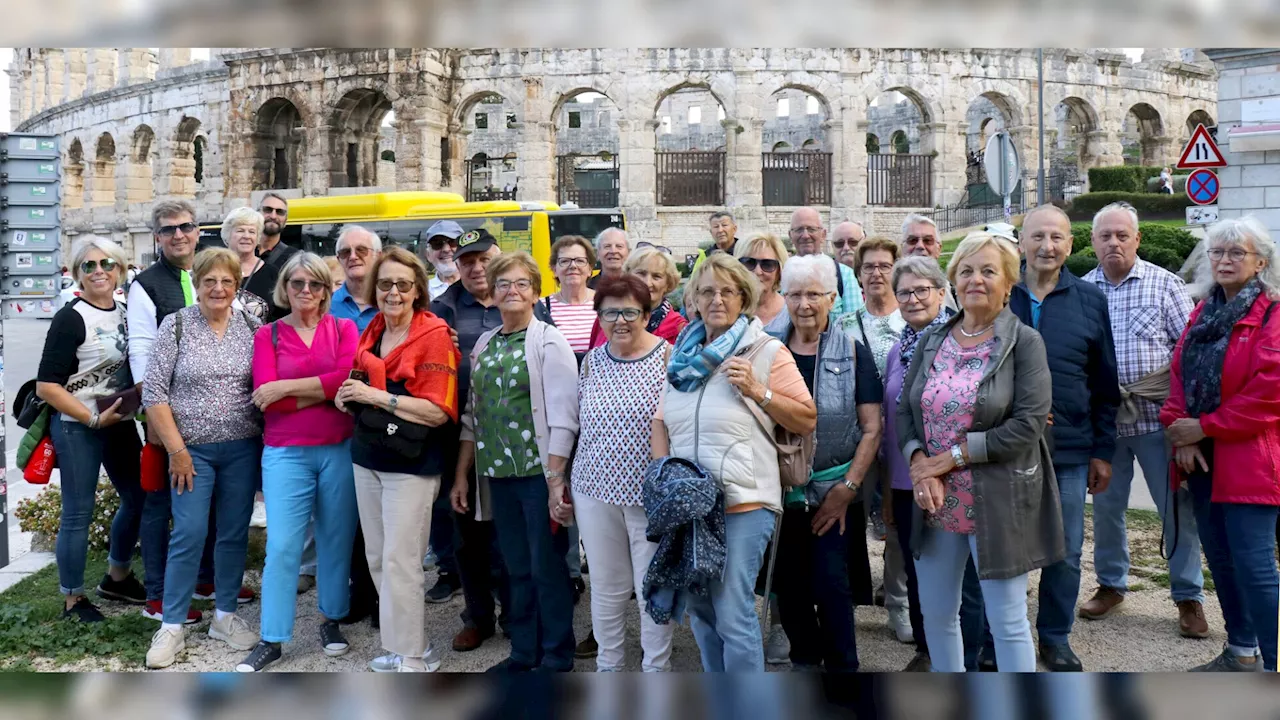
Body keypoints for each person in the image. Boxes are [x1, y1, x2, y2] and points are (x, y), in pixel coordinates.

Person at [896, 232, 1062, 673]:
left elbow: (1027, 426)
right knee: (937, 616)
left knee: (1006, 620)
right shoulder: (933, 340)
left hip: (997, 500)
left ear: (1009, 282)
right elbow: (905, 411)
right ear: (953, 280)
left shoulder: (1024, 342)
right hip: (934, 501)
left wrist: (949, 459)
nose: (976, 280)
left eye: (988, 270)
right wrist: (920, 465)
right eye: (966, 270)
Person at [651, 253, 817, 672]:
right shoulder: (680, 357)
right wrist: (664, 477)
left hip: (745, 501)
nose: (717, 300)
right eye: (707, 291)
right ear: (693, 299)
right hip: (692, 507)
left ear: (744, 298)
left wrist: (759, 392)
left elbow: (806, 417)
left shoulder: (766, 350)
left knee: (732, 609)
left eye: (728, 291)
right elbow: (662, 423)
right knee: (701, 611)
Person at [1080, 202, 1206, 638]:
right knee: (1107, 510)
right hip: (1105, 426)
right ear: (1092, 242)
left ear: (1137, 239)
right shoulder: (1082, 291)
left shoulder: (1164, 284)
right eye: (1105, 236)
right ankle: (1111, 584)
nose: (1113, 242)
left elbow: (1187, 353)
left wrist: (1186, 420)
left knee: (1176, 510)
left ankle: (1188, 596)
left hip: (1157, 421)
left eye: (1122, 235)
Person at [451, 251, 580, 672]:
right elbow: (473, 414)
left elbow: (564, 416)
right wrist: (462, 477)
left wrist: (557, 479)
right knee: (515, 567)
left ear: (535, 292)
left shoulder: (548, 341)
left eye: (521, 283)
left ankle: (557, 655)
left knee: (546, 566)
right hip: (498, 476)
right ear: (492, 290)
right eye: (503, 283)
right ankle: (524, 652)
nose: (512, 290)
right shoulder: (487, 343)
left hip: (538, 476)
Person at [1162, 216, 1280, 672]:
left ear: (1261, 262)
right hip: (1201, 459)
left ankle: (1272, 666)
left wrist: (1204, 427)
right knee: (1222, 561)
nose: (1225, 260)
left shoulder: (1271, 312)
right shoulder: (1204, 309)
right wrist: (1181, 432)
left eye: (1237, 253)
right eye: (1217, 252)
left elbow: (1269, 392)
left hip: (1250, 460)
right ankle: (1241, 652)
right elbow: (1178, 373)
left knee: (1255, 568)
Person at [1007, 204, 1121, 672]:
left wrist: (1103, 451)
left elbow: (1104, 382)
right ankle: (1004, 632)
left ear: (1070, 245)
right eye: (1037, 237)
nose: (1047, 246)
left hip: (1070, 451)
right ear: (1021, 243)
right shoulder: (998, 293)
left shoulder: (1090, 299)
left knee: (1067, 550)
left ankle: (1054, 636)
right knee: (1006, 547)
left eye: (1057, 237)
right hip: (1006, 447)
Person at [235, 253, 361, 672]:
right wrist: (322, 391)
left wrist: (287, 388)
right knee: (284, 547)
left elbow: (346, 381)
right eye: (297, 283)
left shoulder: (343, 328)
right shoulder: (267, 336)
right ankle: (272, 637)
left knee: (335, 541)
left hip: (338, 448)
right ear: (284, 288)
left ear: (327, 290)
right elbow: (265, 398)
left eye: (315, 284)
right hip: (286, 452)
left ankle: (331, 619)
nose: (305, 291)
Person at [336, 247, 459, 672]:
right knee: (377, 556)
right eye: (385, 284)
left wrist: (374, 396)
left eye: (403, 285)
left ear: (417, 290)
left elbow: (437, 410)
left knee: (402, 560)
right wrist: (347, 393)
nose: (393, 292)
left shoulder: (434, 335)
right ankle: (398, 644)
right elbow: (359, 377)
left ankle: (415, 656)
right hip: (368, 455)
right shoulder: (372, 330)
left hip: (412, 462)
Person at [143, 248, 264, 669]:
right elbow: (154, 393)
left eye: (227, 281)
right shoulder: (175, 326)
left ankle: (225, 617)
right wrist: (176, 451)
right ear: (196, 283)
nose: (218, 288)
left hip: (242, 448)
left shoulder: (251, 326)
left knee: (232, 533)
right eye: (209, 280)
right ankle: (172, 625)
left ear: (236, 286)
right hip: (190, 452)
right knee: (190, 532)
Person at [433, 230, 548, 652]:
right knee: (468, 536)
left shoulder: (529, 310)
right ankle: (477, 616)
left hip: (517, 443)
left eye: (484, 258)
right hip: (460, 436)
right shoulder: (441, 309)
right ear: (456, 265)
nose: (476, 267)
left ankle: (517, 616)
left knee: (513, 537)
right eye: (467, 260)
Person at [765, 254, 882, 672]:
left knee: (833, 587)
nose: (804, 304)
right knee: (789, 586)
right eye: (794, 294)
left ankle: (843, 670)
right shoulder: (767, 348)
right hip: (780, 490)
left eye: (814, 294)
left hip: (835, 490)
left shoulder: (853, 351)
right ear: (783, 297)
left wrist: (847, 488)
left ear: (832, 298)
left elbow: (872, 428)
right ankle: (805, 663)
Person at [129, 199, 234, 624]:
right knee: (160, 502)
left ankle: (205, 577)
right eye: (169, 229)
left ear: (197, 230)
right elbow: (140, 348)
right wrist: (153, 418)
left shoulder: (208, 272)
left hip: (205, 412)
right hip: (163, 411)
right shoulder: (146, 284)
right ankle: (157, 595)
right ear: (157, 237)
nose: (178, 235)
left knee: (203, 500)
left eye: (185, 227)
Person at [571, 274, 676, 672]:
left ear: (648, 315)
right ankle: (609, 668)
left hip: (648, 495)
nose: (620, 320)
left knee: (652, 587)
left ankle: (656, 671)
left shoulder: (669, 357)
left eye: (630, 311)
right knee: (607, 587)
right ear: (598, 316)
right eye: (610, 312)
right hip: (593, 490)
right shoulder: (592, 361)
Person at [37, 237, 145, 622]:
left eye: (107, 264)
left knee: (138, 498)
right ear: (77, 273)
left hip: (119, 421)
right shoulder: (71, 317)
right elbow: (46, 386)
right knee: (78, 514)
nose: (99, 271)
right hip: (79, 425)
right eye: (89, 265)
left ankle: (117, 576)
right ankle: (73, 599)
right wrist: (93, 419)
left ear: (119, 269)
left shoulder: (126, 310)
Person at [882, 256, 957, 672]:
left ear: (942, 293)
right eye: (904, 292)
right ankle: (928, 650)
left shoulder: (956, 341)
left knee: (953, 572)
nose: (912, 299)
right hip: (903, 475)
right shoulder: (899, 349)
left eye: (921, 290)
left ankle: (965, 654)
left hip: (949, 475)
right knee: (916, 566)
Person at [840, 236, 910, 644]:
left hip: (902, 441)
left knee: (898, 524)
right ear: (858, 273)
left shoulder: (914, 320)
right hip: (859, 439)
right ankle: (847, 601)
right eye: (869, 266)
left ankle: (897, 602)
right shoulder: (845, 324)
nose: (877, 273)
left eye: (885, 265)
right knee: (851, 520)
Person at [326, 224, 383, 626]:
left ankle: (386, 600)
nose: (353, 256)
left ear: (377, 254)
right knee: (351, 514)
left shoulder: (393, 298)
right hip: (342, 422)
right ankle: (360, 591)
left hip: (388, 423)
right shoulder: (328, 306)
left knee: (385, 515)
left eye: (362, 249)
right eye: (345, 252)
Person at [588, 246, 687, 348]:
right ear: (627, 276)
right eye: (641, 273)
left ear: (668, 284)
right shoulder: (608, 316)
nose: (647, 283)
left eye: (656, 276)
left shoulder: (679, 328)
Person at [788, 207, 863, 317]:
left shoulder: (845, 275)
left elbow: (853, 325)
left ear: (823, 234)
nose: (805, 235)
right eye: (799, 230)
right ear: (790, 235)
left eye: (811, 229)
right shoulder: (781, 274)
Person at [222, 206, 282, 322]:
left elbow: (281, 317)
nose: (246, 236)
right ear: (227, 235)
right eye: (240, 230)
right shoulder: (213, 270)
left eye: (252, 232)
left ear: (258, 238)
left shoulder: (272, 274)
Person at [545, 235, 598, 359]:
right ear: (554, 270)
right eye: (564, 261)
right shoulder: (541, 307)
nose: (573, 266)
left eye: (580, 260)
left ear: (590, 269)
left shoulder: (605, 303)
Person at [900, 213, 958, 311]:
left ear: (939, 249)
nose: (920, 246)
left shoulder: (956, 293)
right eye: (913, 240)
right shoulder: (889, 294)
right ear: (902, 248)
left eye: (927, 240)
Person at [734, 232, 790, 331]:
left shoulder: (792, 313)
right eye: (749, 263)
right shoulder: (727, 309)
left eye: (767, 264)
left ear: (779, 272)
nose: (758, 271)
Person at [257, 193, 299, 272]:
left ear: (285, 220)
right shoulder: (242, 252)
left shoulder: (294, 259)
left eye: (280, 212)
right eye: (268, 210)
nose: (273, 216)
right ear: (257, 214)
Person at [423, 220, 463, 299]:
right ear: (428, 255)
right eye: (437, 244)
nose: (446, 249)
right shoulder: (421, 292)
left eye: (453, 242)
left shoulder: (478, 286)